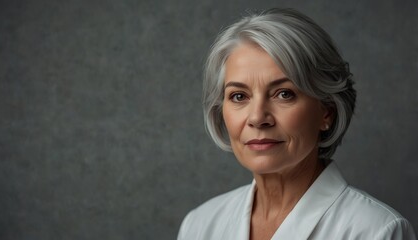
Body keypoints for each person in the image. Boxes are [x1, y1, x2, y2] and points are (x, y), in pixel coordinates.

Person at [178, 8, 416, 240]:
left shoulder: (376, 231)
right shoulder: (200, 225)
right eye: (239, 96)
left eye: (284, 94)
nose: (258, 117)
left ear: (327, 112)